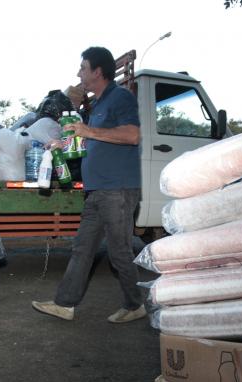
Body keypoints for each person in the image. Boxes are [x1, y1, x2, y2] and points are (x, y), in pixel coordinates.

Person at [32, 46, 146, 323]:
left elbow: (132, 135)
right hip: (97, 190)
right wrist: (65, 143)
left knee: (119, 252)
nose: (78, 73)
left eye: (82, 68)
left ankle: (135, 305)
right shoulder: (97, 105)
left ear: (97, 71)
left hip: (117, 189)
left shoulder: (120, 97)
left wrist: (88, 131)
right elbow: (93, 140)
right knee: (82, 247)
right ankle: (65, 303)